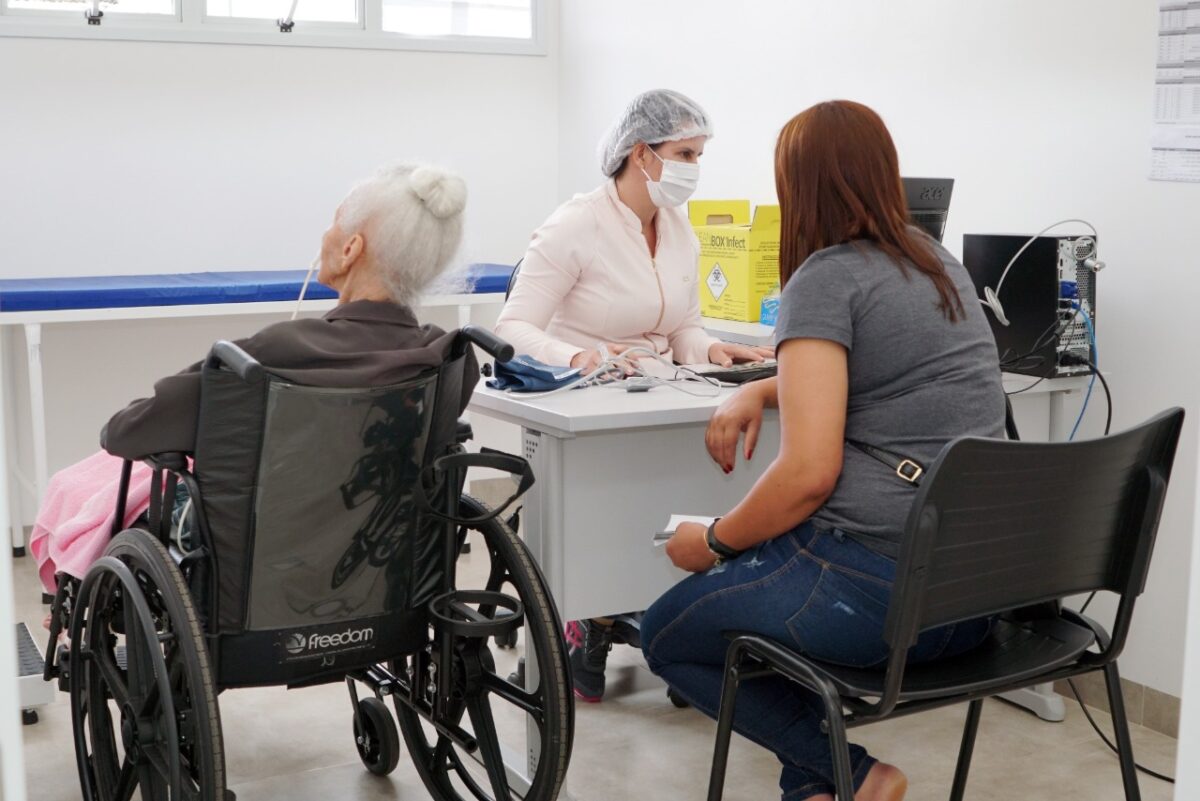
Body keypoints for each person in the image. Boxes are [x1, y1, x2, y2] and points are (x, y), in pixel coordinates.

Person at [641, 100, 1006, 801]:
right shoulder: (935, 263)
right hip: (973, 595)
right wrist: (761, 390)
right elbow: (867, 374)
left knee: (674, 631)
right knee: (765, 594)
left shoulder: (826, 278)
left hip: (877, 598)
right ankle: (816, 786)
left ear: (798, 189)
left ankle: (859, 775)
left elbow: (809, 476)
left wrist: (714, 541)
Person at [31, 163, 476, 595]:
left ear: (350, 249)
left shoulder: (275, 355)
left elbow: (127, 434)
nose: (325, 234)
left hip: (256, 583)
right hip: (379, 573)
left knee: (87, 485)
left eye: (333, 223)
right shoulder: (447, 360)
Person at [495, 88, 771, 702]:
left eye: (700, 154)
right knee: (615, 513)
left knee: (707, 483)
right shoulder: (577, 223)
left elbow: (682, 326)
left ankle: (674, 626)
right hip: (585, 406)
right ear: (641, 153)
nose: (694, 169)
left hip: (657, 393)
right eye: (685, 153)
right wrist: (583, 357)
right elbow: (512, 328)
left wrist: (713, 350)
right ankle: (587, 619)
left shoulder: (678, 228)